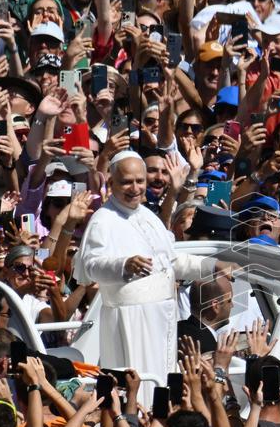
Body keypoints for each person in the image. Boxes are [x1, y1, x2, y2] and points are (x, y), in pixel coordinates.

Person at [73, 153, 232, 380]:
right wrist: (124, 265)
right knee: (139, 383)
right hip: (131, 321)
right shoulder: (103, 220)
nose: (135, 188)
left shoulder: (148, 216)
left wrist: (213, 266)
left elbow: (172, 261)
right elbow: (90, 267)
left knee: (161, 382)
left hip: (162, 317)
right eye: (127, 181)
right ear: (112, 183)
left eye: (140, 181)